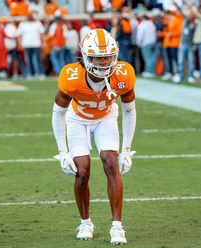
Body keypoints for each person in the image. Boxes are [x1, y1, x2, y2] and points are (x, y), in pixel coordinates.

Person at [52, 28, 136, 245]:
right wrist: (63, 152)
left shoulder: (123, 74)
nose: (104, 62)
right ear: (85, 57)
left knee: (111, 163)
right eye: (98, 58)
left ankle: (117, 226)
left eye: (108, 56)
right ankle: (85, 222)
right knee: (81, 171)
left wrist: (126, 149)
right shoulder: (71, 77)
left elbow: (129, 111)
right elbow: (58, 113)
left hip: (106, 117)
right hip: (77, 119)